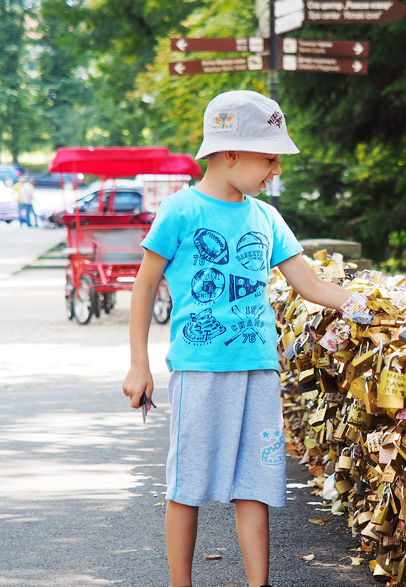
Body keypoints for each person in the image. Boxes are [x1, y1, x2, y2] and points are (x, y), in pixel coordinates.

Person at [122, 90, 353, 587]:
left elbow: (309, 284)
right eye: (269, 158)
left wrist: (372, 308)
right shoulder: (181, 210)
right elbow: (143, 288)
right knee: (187, 487)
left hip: (258, 372)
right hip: (201, 373)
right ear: (230, 153)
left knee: (257, 486)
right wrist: (138, 365)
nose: (276, 170)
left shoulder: (267, 218)